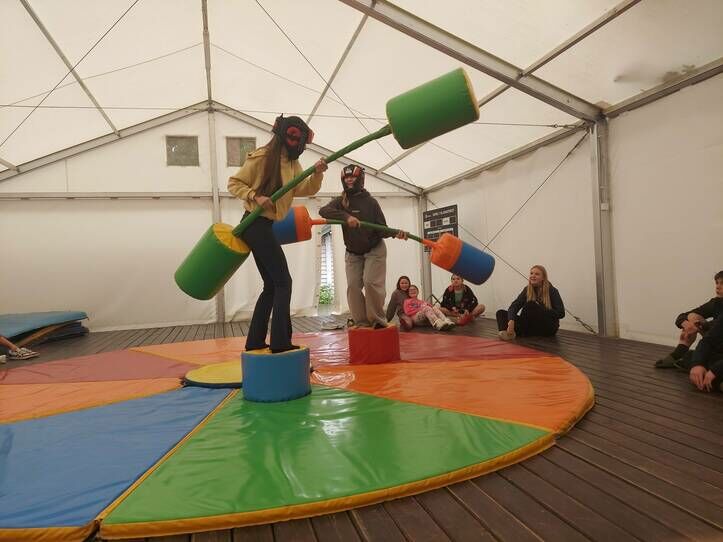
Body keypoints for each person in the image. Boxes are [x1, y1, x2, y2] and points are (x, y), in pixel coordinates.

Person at [228, 114, 327, 353]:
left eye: (299, 139)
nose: (295, 142)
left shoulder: (292, 164)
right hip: (254, 223)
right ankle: (280, 342)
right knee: (283, 282)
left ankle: (255, 341)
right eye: (292, 136)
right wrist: (256, 196)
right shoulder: (262, 157)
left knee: (272, 285)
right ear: (282, 135)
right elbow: (234, 183)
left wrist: (317, 173)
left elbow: (305, 188)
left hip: (263, 226)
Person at [319, 164, 408, 329]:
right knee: (353, 286)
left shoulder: (371, 202)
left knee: (370, 282)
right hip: (353, 253)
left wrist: (396, 233)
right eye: (346, 178)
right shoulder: (341, 201)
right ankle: (361, 322)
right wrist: (346, 217)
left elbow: (382, 229)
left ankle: (377, 320)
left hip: (374, 250)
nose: (349, 180)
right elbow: (323, 211)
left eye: (352, 177)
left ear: (360, 179)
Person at [655, 270, 723, 392]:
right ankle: (680, 354)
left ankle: (689, 362)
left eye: (722, 283)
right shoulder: (715, 303)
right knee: (692, 317)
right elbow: (682, 316)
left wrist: (705, 325)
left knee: (692, 357)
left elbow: (716, 326)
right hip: (715, 342)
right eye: (717, 283)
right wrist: (688, 324)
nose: (718, 287)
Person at [497, 265, 565, 340]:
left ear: (543, 278)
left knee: (530, 304)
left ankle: (520, 332)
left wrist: (540, 309)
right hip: (530, 325)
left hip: (547, 327)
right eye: (531, 273)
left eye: (537, 274)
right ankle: (507, 333)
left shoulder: (552, 291)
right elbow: (514, 306)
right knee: (501, 313)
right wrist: (511, 320)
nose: (533, 276)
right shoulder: (527, 289)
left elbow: (561, 313)